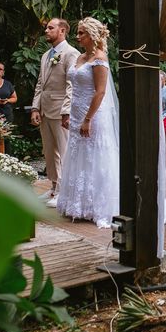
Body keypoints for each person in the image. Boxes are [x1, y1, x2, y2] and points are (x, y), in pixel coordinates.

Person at [55, 17, 119, 228]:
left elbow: (100, 92)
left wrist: (87, 119)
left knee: (93, 157)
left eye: (81, 33)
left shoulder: (100, 59)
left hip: (92, 115)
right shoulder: (81, 57)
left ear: (92, 35)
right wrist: (70, 114)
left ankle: (95, 206)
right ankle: (77, 204)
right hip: (75, 112)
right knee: (76, 155)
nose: (78, 36)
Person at [31, 18, 81, 207]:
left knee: (64, 151)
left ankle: (64, 191)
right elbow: (40, 84)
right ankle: (53, 188)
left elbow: (71, 84)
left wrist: (66, 111)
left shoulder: (71, 54)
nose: (46, 30)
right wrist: (35, 107)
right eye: (46, 28)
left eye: (50, 28)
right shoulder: (45, 55)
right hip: (44, 110)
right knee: (49, 152)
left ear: (62, 31)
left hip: (61, 111)